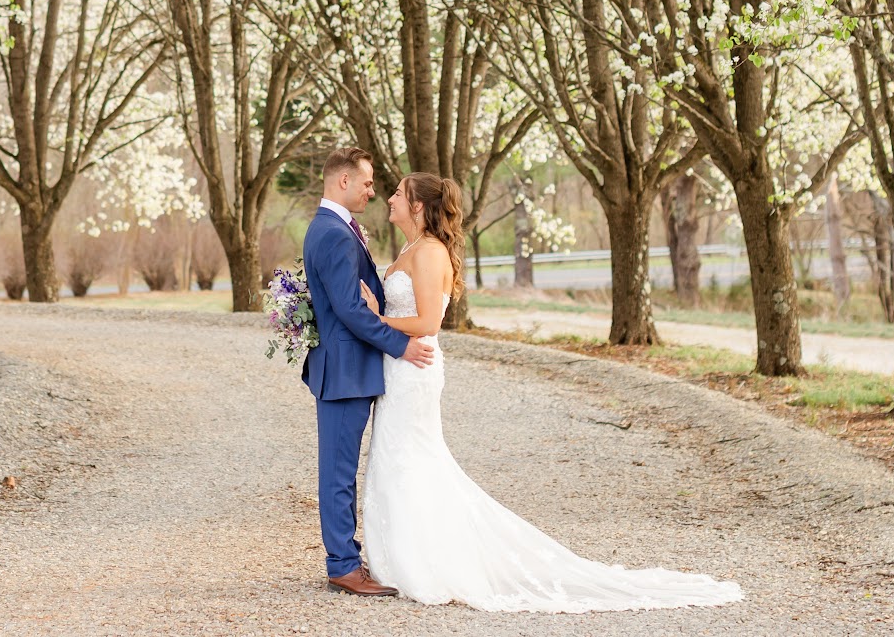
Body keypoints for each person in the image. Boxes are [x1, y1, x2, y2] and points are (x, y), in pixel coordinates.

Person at [358, 171, 744, 612]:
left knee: (412, 457)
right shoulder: (410, 248)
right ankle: (405, 554)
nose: (389, 198)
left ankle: (424, 562)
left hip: (415, 368)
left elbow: (428, 322)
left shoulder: (429, 252)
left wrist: (376, 318)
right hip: (400, 367)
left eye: (398, 193)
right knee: (398, 455)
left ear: (418, 206)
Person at [299, 147, 433, 596]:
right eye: (368, 182)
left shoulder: (334, 227)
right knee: (338, 473)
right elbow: (350, 310)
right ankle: (342, 565)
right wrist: (401, 345)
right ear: (344, 181)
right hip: (345, 371)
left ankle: (347, 558)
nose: (373, 192)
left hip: (346, 368)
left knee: (341, 470)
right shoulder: (334, 232)